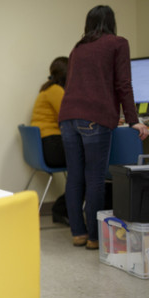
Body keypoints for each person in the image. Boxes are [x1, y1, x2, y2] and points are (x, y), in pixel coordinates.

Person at [58, 5, 149, 250]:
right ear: (112, 22)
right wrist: (133, 119)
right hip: (94, 118)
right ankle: (94, 237)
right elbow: (124, 84)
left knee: (75, 177)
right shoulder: (117, 43)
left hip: (67, 117)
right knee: (95, 178)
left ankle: (78, 233)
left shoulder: (79, 48)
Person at [31, 56, 69, 225]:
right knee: (87, 165)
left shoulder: (46, 90)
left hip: (46, 146)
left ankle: (63, 209)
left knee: (83, 166)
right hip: (52, 146)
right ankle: (60, 208)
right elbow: (70, 115)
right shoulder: (56, 91)